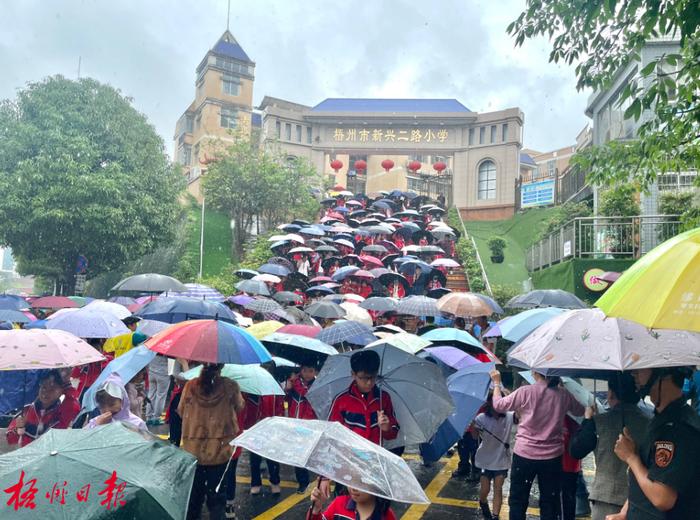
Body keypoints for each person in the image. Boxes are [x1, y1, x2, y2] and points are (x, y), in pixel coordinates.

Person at [490, 369, 585, 520]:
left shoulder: (525, 391)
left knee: (518, 501)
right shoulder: (563, 394)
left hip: (524, 455)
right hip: (553, 458)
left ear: (535, 373)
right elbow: (580, 411)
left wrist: (496, 383)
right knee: (549, 502)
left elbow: (499, 405)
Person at [607, 367, 700, 520]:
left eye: (641, 368)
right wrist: (625, 512)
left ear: (665, 374)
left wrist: (631, 458)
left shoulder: (676, 429)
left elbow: (663, 498)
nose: (634, 374)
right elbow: (651, 472)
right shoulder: (661, 419)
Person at [569, 373, 650, 520]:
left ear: (611, 393)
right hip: (641, 498)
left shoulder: (599, 422)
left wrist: (588, 420)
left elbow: (576, 450)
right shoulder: (650, 424)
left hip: (605, 497)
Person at [178, 363, 245, 520]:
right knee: (217, 498)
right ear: (221, 367)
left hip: (194, 451)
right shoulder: (230, 386)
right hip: (219, 450)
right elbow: (240, 406)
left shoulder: (190, 385)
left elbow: (181, 411)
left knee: (194, 498)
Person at [328, 350, 399, 446]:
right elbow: (332, 433)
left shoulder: (383, 398)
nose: (369, 382)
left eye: (373, 377)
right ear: (353, 374)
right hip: (349, 455)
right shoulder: (341, 400)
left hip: (376, 455)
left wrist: (387, 429)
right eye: (364, 378)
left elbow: (393, 434)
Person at [6, 369, 80, 447]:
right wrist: (17, 429)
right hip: (26, 456)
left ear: (61, 391)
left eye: (52, 389)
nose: (46, 392)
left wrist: (67, 383)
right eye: (44, 387)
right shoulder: (26, 410)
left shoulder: (62, 413)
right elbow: (10, 440)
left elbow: (74, 407)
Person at [473, 392, 516, 520]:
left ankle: (495, 516)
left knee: (498, 488)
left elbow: (520, 414)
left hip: (501, 459)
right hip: (485, 459)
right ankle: (483, 501)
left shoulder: (509, 416)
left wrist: (512, 398)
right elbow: (475, 437)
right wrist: (473, 427)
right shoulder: (481, 418)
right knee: (485, 490)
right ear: (489, 403)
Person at [286, 364, 318, 493]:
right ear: (301, 370)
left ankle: (314, 477)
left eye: (310, 371)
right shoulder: (293, 383)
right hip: (295, 423)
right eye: (305, 371)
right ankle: (302, 481)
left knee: (310, 452)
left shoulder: (317, 385)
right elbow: (286, 400)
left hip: (310, 424)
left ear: (315, 372)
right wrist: (287, 389)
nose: (307, 374)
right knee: (297, 453)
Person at [308, 486, 396, 520]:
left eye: (362, 482)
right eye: (351, 479)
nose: (354, 487)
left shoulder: (386, 514)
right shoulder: (339, 503)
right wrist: (316, 509)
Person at [146, 353, 170, 425]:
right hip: (163, 374)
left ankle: (148, 417)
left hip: (151, 372)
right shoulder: (167, 347)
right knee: (161, 396)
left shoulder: (154, 344)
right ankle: (156, 418)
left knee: (151, 395)